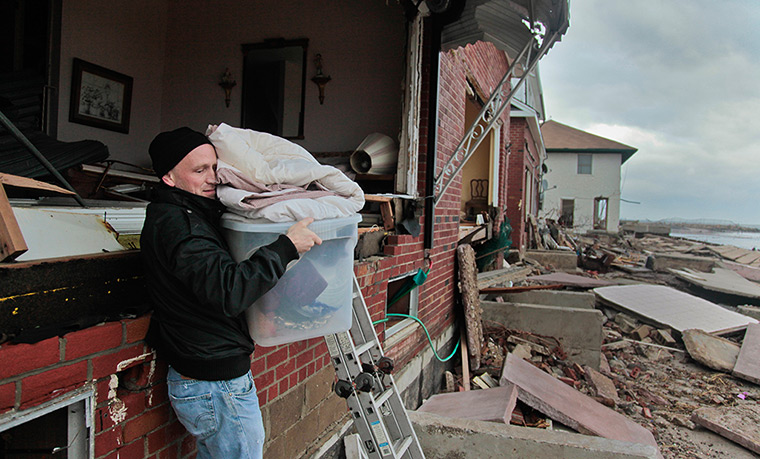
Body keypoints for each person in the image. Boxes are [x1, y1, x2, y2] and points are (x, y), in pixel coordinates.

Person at [140, 126, 321, 458]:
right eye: (199, 170)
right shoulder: (182, 226)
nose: (213, 178)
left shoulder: (187, 214)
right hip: (214, 382)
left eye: (213, 168)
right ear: (168, 176)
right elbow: (228, 291)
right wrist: (286, 247)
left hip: (207, 374)